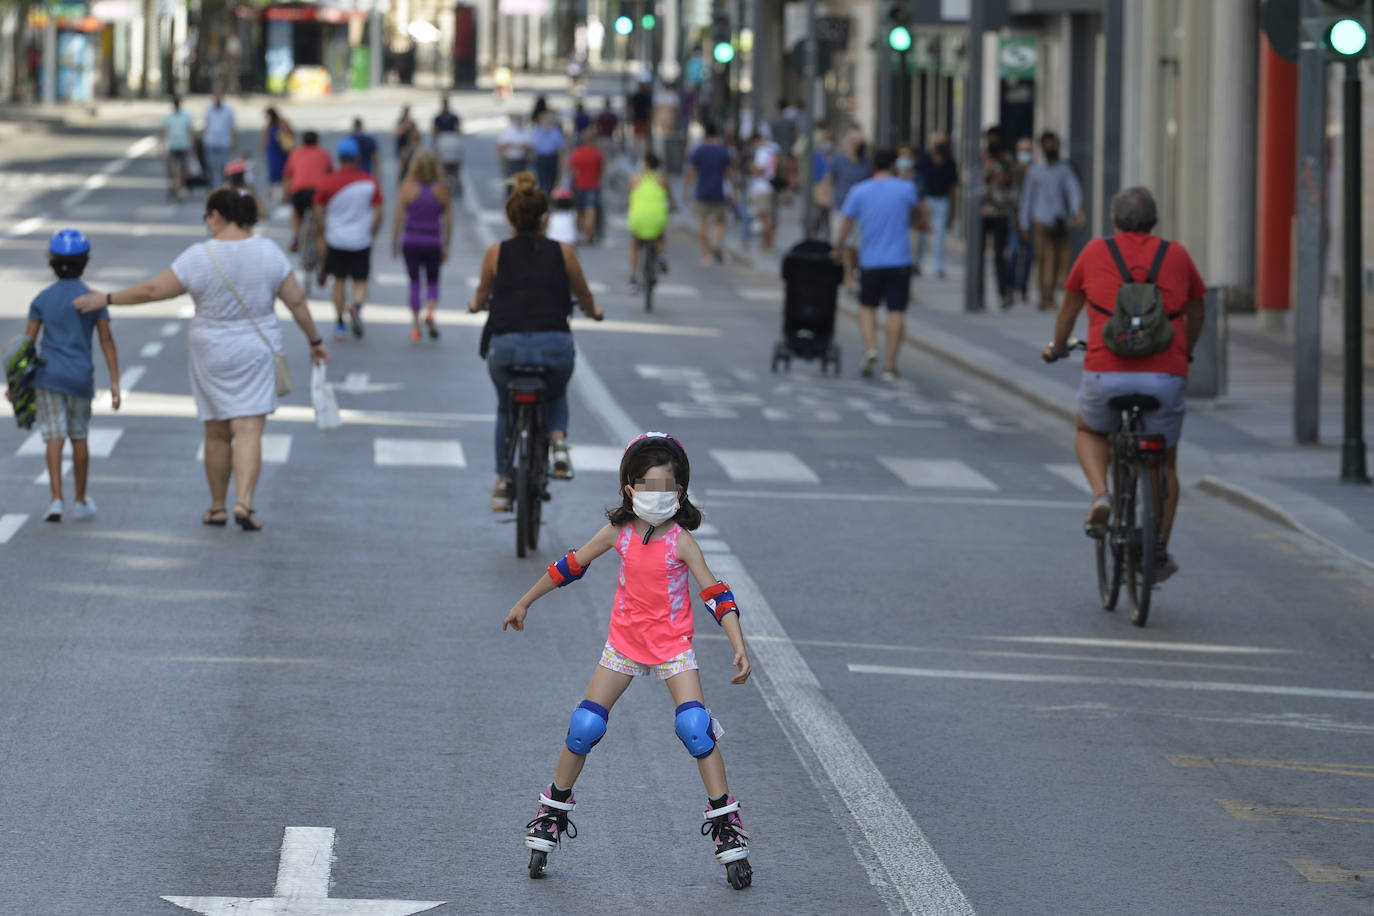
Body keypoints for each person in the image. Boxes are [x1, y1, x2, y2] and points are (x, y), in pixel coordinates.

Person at [501, 433, 753, 886]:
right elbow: (569, 566)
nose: (658, 496)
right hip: (624, 646)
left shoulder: (681, 541)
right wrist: (525, 601)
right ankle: (552, 811)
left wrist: (738, 642)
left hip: (673, 647)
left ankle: (726, 824)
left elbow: (715, 594)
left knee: (695, 728)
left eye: (668, 487)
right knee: (584, 725)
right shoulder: (618, 533)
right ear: (629, 489)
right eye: (648, 486)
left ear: (681, 492)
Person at [73, 189, 328, 531]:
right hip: (256, 349)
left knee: (217, 432)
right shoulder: (268, 252)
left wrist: (106, 298)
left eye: (207, 217)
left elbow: (153, 290)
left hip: (211, 350)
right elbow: (296, 301)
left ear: (217, 216)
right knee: (249, 429)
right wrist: (315, 340)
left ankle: (217, 506)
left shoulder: (199, 256)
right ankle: (245, 503)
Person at [1042, 186, 1206, 581]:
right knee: (1164, 461)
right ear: (1154, 222)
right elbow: (1197, 310)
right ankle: (1158, 553)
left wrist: (1058, 348)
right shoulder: (1178, 255)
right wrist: (1185, 353)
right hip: (1166, 375)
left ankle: (1101, 494)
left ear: (1114, 221)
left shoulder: (1095, 252)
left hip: (1105, 372)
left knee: (1088, 428)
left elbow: (1068, 310)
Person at [468, 173, 603, 507]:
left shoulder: (496, 253)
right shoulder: (565, 253)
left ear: (511, 218)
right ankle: (558, 441)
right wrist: (593, 311)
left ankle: (502, 481)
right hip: (554, 345)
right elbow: (584, 296)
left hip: (506, 347)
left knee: (505, 408)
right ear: (545, 219)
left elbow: (480, 296)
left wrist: (475, 306)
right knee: (555, 392)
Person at [10, 230, 120, 522]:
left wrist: (15, 385)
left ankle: (56, 499)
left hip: (47, 377)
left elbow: (26, 345)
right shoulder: (94, 300)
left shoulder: (42, 299)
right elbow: (106, 341)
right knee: (79, 436)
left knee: (53, 436)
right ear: (85, 262)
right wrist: (115, 382)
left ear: (52, 263)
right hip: (80, 378)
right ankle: (81, 499)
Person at [833, 148, 920, 381]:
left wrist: (838, 248)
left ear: (873, 167)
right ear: (894, 166)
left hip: (870, 260)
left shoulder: (859, 191)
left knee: (867, 306)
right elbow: (918, 216)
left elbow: (846, 223)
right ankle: (890, 366)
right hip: (900, 260)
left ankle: (871, 347)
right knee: (896, 312)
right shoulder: (906, 189)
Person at [314, 137, 384, 340]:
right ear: (357, 157)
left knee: (339, 281)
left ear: (339, 157)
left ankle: (339, 324)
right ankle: (356, 305)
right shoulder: (369, 182)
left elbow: (318, 209)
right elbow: (379, 212)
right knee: (361, 281)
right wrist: (373, 232)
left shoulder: (328, 182)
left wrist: (324, 229)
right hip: (361, 240)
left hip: (336, 239)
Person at [390, 149, 452, 342]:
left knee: (414, 282)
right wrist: (446, 243)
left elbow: (399, 217)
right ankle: (431, 312)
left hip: (412, 239)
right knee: (433, 280)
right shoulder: (442, 188)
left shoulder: (407, 187)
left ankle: (416, 326)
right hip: (433, 239)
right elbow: (449, 219)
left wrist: (394, 242)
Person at [1020, 130, 1085, 311]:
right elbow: (1027, 198)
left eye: (1053, 144)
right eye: (1046, 145)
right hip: (1041, 220)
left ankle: (1052, 293)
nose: (1050, 148)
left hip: (1060, 220)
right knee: (1044, 258)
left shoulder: (1064, 170)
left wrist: (1075, 210)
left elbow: (1073, 191)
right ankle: (1044, 295)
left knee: (1060, 259)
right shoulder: (1035, 172)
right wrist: (1024, 223)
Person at [827, 128, 871, 294]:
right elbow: (829, 179)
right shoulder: (838, 160)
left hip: (861, 210)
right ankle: (848, 276)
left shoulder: (866, 161)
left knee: (856, 246)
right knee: (844, 243)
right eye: (854, 142)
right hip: (841, 207)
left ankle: (854, 272)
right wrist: (825, 197)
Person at [683, 122, 733, 265]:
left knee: (703, 224)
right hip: (718, 191)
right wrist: (734, 191)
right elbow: (729, 173)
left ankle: (706, 254)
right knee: (720, 221)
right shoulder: (723, 151)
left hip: (702, 191)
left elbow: (690, 172)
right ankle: (716, 241)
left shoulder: (699, 150)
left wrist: (686, 190)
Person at [979, 125, 1018, 309]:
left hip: (1000, 211)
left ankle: (1004, 293)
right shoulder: (980, 157)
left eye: (996, 138)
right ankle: (978, 294)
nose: (993, 141)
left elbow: (1012, 183)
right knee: (977, 255)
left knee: (999, 256)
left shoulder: (1007, 160)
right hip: (982, 212)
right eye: (990, 138)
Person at [626, 151, 673, 293]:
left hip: (638, 218)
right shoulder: (662, 179)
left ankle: (633, 279)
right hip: (657, 218)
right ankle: (661, 255)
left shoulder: (634, 179)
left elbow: (629, 198)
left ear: (645, 164)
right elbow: (669, 198)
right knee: (660, 232)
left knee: (635, 244)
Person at [914, 132, 957, 279]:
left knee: (939, 236)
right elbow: (918, 179)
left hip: (942, 200)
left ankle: (938, 266)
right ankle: (917, 263)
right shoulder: (925, 159)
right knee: (922, 234)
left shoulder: (950, 162)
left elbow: (952, 187)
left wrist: (952, 209)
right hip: (926, 199)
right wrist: (919, 201)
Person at [281, 130, 332, 253]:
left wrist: (285, 195)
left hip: (299, 191)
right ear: (317, 141)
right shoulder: (324, 154)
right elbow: (330, 175)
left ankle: (296, 237)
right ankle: (322, 257)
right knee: (320, 226)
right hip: (317, 192)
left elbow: (287, 177)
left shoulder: (295, 154)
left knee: (296, 214)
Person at [1006, 137, 1036, 304]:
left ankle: (1023, 288)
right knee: (1014, 252)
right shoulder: (1013, 171)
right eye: (1022, 151)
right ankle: (1011, 287)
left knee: (1029, 255)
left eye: (1028, 151)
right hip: (1014, 216)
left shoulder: (1036, 171)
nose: (1025, 155)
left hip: (1032, 218)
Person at [566, 130, 604, 242]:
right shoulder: (597, 153)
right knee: (591, 208)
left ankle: (582, 229)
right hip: (593, 184)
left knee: (578, 209)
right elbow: (601, 169)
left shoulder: (577, 153)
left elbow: (570, 169)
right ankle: (589, 233)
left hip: (579, 184)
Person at [746, 126, 780, 252]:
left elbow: (760, 169)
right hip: (767, 186)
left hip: (762, 187)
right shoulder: (772, 149)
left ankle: (767, 244)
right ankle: (767, 243)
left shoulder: (762, 151)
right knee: (766, 217)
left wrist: (751, 167)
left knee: (765, 218)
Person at [201, 91, 237, 188]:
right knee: (211, 166)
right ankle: (214, 186)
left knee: (223, 167)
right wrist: (201, 137)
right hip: (210, 142)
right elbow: (206, 124)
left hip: (224, 142)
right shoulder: (209, 109)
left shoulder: (228, 110)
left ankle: (222, 186)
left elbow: (232, 127)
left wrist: (233, 141)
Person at [160, 96, 194, 201]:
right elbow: (164, 131)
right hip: (172, 145)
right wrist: (162, 146)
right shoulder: (168, 117)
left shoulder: (186, 116)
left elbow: (190, 131)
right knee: (170, 168)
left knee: (183, 169)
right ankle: (172, 186)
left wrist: (191, 145)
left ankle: (181, 189)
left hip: (183, 145)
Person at [257, 107, 294, 202]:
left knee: (283, 172)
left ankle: (284, 193)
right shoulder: (270, 124)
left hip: (281, 150)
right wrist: (262, 149)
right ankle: (272, 192)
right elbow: (265, 137)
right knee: (273, 171)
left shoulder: (282, 122)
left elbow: (290, 133)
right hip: (273, 150)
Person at [531, 110, 566, 195]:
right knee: (542, 180)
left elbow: (561, 147)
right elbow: (532, 146)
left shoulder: (555, 132)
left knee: (551, 180)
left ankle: (549, 198)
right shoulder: (536, 131)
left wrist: (562, 162)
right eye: (543, 119)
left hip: (552, 158)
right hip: (541, 158)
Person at [432, 96, 462, 193]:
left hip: (449, 142)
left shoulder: (454, 117)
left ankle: (453, 181)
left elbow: (458, 130)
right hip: (445, 142)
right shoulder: (438, 118)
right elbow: (435, 131)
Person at [497, 112, 534, 179]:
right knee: (510, 181)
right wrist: (502, 162)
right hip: (510, 160)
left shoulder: (526, 130)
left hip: (522, 160)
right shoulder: (508, 130)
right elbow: (501, 146)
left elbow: (530, 146)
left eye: (521, 119)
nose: (520, 121)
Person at [395, 106, 421, 187]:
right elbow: (397, 134)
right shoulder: (400, 122)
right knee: (402, 166)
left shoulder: (412, 122)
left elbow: (417, 134)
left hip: (410, 146)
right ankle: (401, 181)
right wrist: (404, 127)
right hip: (402, 146)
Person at [628, 81, 653, 158]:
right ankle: (638, 153)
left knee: (642, 138)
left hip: (642, 119)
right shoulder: (637, 96)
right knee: (639, 138)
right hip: (639, 119)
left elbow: (650, 108)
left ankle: (641, 154)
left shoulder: (645, 96)